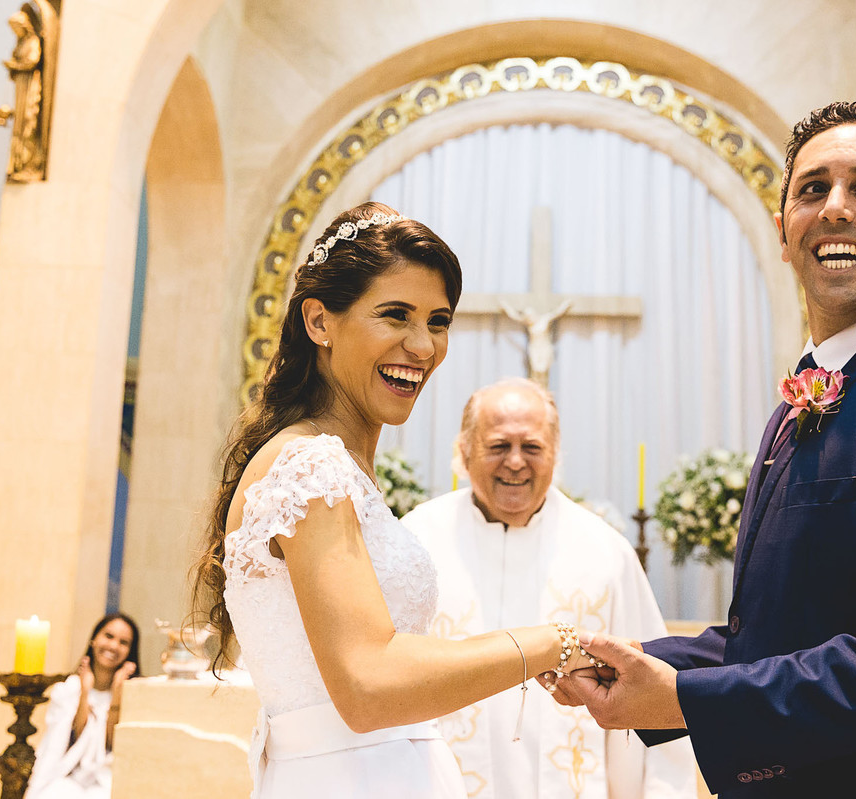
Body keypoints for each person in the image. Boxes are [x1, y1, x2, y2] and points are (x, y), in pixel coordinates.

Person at [558, 102, 856, 798]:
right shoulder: (798, 405)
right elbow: (772, 637)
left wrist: (689, 700)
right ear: (784, 232)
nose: (835, 209)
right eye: (812, 189)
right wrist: (630, 659)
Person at [191, 202, 600, 799]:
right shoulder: (311, 466)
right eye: (395, 315)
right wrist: (547, 644)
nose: (423, 346)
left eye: (438, 321)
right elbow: (368, 684)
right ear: (319, 321)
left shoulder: (331, 465)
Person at [401, 378, 697, 799]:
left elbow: (656, 698)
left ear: (555, 454)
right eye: (499, 446)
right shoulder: (417, 540)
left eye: (533, 447)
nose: (516, 462)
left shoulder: (605, 552)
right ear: (464, 451)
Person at [25, 613, 141, 799]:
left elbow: (114, 744)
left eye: (123, 642)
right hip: (68, 774)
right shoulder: (69, 688)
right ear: (94, 639)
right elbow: (72, 738)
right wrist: (85, 692)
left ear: (130, 651)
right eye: (108, 636)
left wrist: (117, 693)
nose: (113, 646)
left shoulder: (134, 695)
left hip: (107, 779)